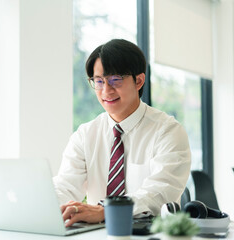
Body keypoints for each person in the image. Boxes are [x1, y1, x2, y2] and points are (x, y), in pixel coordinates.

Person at [53, 39, 191, 227]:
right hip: (96, 234)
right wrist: (46, 204)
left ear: (139, 80)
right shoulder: (85, 135)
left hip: (149, 234)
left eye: (115, 80)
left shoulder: (168, 131)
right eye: (99, 81)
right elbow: (66, 186)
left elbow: (159, 192)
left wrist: (106, 211)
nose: (106, 91)